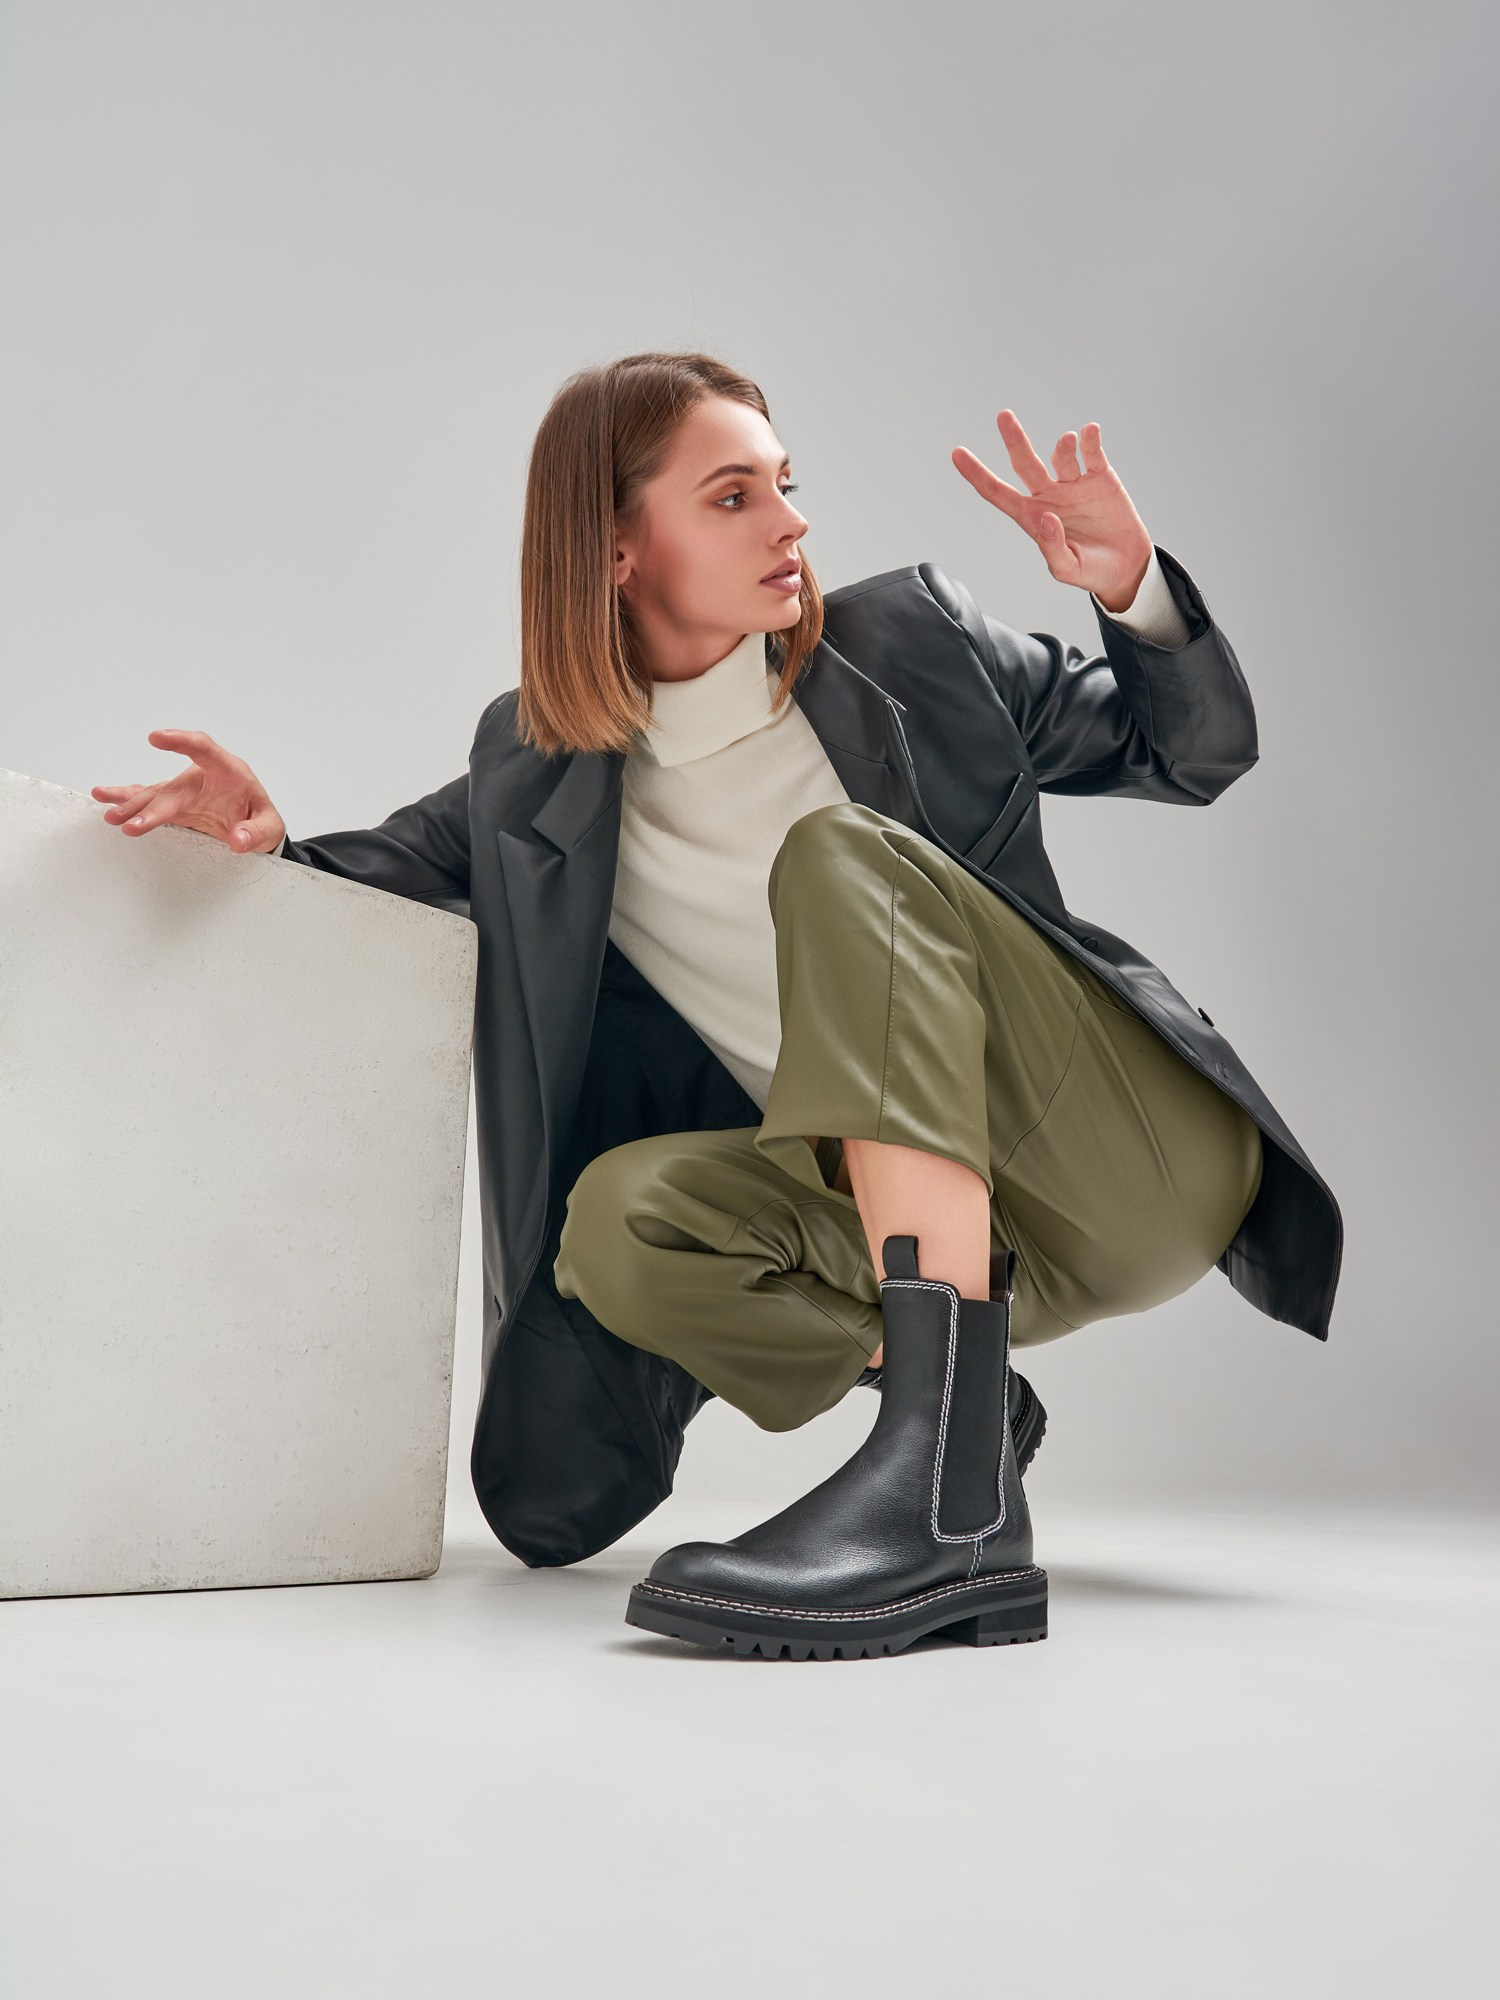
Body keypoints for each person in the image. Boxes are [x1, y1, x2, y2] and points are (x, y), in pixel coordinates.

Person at [93, 351, 1343, 1662]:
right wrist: (264, 848)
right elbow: (373, 885)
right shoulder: (535, 782)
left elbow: (1191, 753)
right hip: (947, 1252)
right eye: (734, 495)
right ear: (615, 549)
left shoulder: (918, 645)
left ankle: (941, 1502)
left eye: (785, 484)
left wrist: (1130, 589)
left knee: (840, 857)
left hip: (1124, 1161)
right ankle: (957, 1425)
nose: (790, 521)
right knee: (620, 1220)